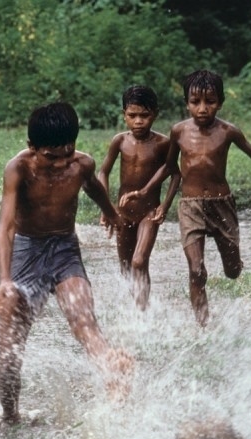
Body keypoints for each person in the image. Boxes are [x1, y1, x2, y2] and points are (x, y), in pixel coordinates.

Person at [125, 70, 251, 326]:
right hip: (190, 207)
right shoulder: (178, 131)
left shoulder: (228, 131)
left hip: (221, 205)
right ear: (186, 103)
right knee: (196, 270)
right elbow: (170, 167)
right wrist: (148, 191)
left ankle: (235, 262)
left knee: (232, 271)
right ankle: (202, 328)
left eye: (210, 102)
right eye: (195, 102)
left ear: (221, 102)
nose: (202, 109)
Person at [0, 102, 134, 426]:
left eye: (67, 153)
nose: (60, 163)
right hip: (27, 253)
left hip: (64, 249)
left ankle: (114, 373)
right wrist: (4, 281)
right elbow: (6, 226)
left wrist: (110, 212)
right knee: (10, 343)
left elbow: (94, 187)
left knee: (83, 320)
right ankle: (10, 414)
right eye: (51, 156)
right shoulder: (18, 168)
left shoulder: (82, 164)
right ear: (32, 148)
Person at [97, 86, 170, 309]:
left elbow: (175, 173)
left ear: (155, 114)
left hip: (149, 213)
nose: (138, 121)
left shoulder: (162, 143)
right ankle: (136, 308)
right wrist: (105, 207)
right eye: (133, 116)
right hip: (123, 213)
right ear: (124, 115)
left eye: (144, 116)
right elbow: (103, 172)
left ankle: (142, 314)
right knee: (127, 267)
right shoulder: (120, 141)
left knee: (139, 261)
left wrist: (164, 206)